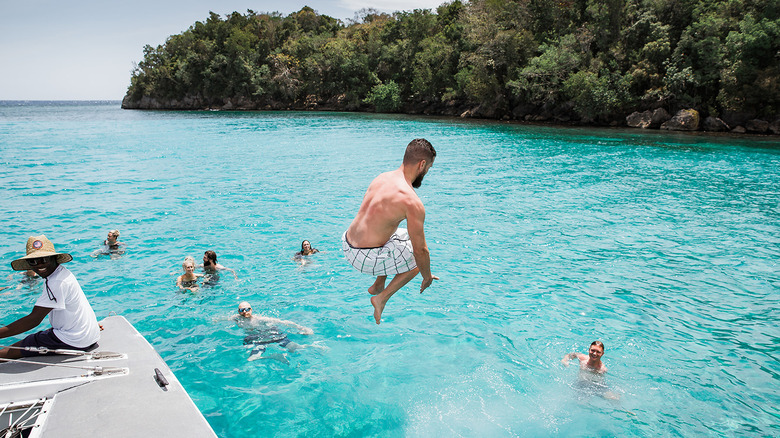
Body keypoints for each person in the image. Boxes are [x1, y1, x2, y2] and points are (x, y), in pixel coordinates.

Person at [342, 138, 439, 324]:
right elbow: (421, 251)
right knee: (419, 260)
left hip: (347, 243)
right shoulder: (411, 201)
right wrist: (426, 276)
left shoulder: (382, 177)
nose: (427, 172)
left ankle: (379, 283)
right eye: (429, 168)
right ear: (422, 164)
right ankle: (381, 298)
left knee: (401, 233)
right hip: (363, 258)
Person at [0, 235, 100, 359]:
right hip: (87, 335)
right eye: (33, 261)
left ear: (54, 258)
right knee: (35, 337)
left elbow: (33, 320)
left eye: (44, 259)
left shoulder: (56, 282)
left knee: (19, 347)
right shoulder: (61, 273)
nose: (39, 265)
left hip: (74, 340)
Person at [233, 301, 314, 363]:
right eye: (242, 310)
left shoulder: (259, 319)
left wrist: (302, 328)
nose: (245, 311)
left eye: (247, 309)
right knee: (251, 359)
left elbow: (282, 322)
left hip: (271, 335)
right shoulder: (236, 319)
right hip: (258, 339)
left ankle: (313, 346)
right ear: (239, 311)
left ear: (251, 310)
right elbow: (226, 318)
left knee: (296, 347)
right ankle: (275, 356)